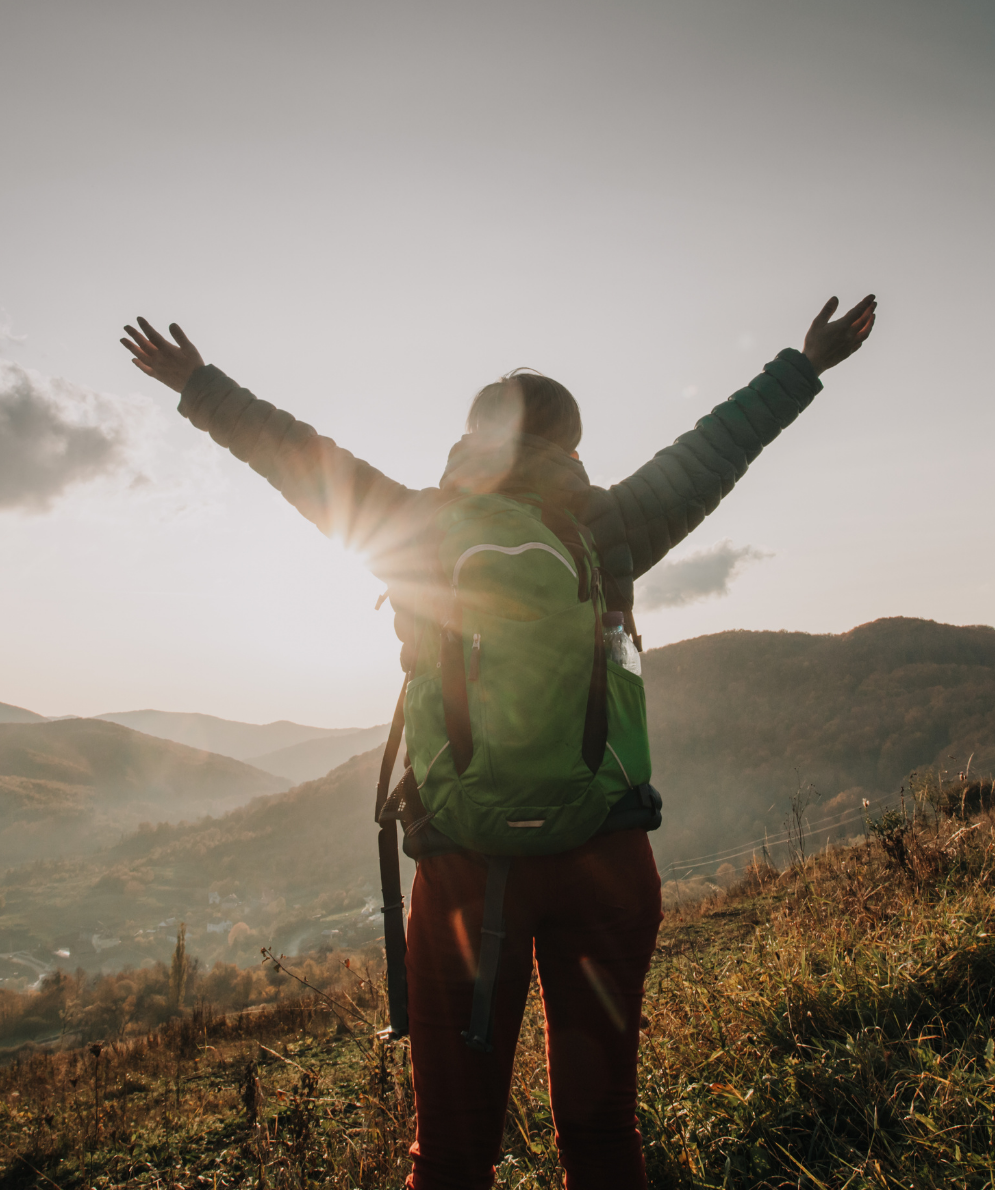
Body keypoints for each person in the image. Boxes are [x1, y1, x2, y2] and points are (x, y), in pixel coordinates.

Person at [120, 293, 878, 1190]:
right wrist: (804, 365)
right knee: (600, 1140)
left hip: (463, 871)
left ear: (471, 440)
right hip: (605, 858)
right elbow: (715, 448)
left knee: (450, 1155)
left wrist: (197, 383)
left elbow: (295, 456)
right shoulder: (611, 525)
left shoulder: (415, 525)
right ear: (572, 446)